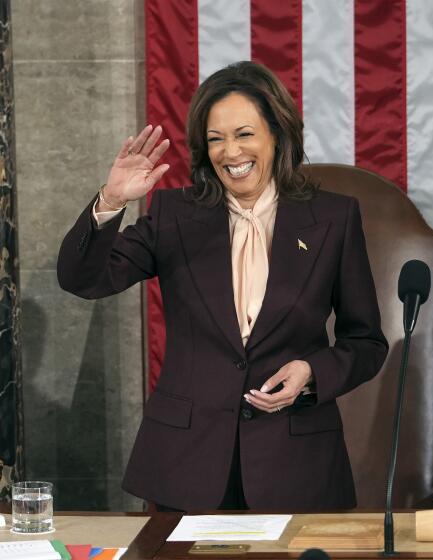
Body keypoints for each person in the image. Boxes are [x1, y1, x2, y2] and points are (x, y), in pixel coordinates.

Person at [57, 61, 388, 511]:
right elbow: (84, 280)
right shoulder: (175, 216)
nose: (230, 152)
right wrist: (111, 200)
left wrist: (312, 374)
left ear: (277, 133)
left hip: (296, 466)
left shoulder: (333, 218)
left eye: (244, 134)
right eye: (216, 139)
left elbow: (365, 342)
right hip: (186, 468)